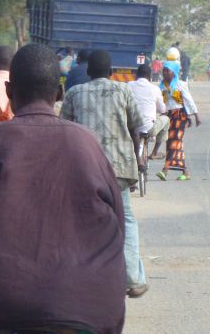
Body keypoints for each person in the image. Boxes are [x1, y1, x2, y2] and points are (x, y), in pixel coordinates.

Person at [0, 44, 126, 334]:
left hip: (1, 311)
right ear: (58, 94)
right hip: (91, 313)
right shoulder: (88, 143)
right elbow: (118, 222)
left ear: (9, 91)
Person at [60, 50, 148, 299]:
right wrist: (137, 159)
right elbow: (137, 127)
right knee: (127, 219)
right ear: (111, 72)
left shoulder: (74, 94)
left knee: (81, 222)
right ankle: (132, 278)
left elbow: (65, 129)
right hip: (119, 169)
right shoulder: (124, 91)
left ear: (87, 72)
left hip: (85, 169)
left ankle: (81, 278)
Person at [156, 61, 201, 181]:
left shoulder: (181, 85)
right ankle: (185, 172)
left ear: (174, 72)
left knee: (174, 142)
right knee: (175, 143)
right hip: (168, 116)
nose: (165, 73)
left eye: (167, 70)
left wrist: (196, 115)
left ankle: (164, 170)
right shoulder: (161, 86)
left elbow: (188, 100)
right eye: (164, 70)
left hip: (180, 116)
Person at [128, 64, 169, 161]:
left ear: (136, 75)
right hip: (149, 128)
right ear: (150, 76)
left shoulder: (128, 85)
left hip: (130, 127)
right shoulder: (155, 89)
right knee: (166, 120)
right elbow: (162, 109)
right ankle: (154, 153)